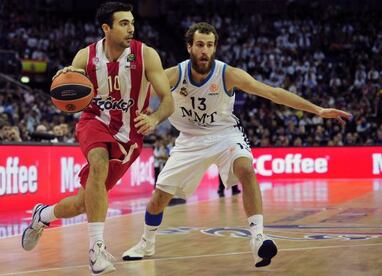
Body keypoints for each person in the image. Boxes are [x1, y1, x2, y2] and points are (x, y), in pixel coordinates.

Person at [122, 22, 352, 267]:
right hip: (189, 139)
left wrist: (317, 109)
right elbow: (138, 90)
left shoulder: (228, 74)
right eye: (200, 45)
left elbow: (273, 93)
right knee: (159, 198)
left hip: (225, 135)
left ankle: (257, 237)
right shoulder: (174, 74)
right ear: (189, 47)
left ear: (215, 48)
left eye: (210, 45)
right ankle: (147, 242)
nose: (205, 51)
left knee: (246, 169)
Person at [21, 2, 174, 275]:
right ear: (107, 28)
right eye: (124, 23)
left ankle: (42, 215)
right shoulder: (86, 56)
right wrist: (62, 76)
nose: (131, 28)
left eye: (132, 23)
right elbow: (67, 79)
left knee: (84, 202)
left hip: (130, 136)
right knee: (99, 161)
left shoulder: (146, 55)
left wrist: (154, 119)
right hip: (95, 122)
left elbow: (168, 101)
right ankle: (97, 249)